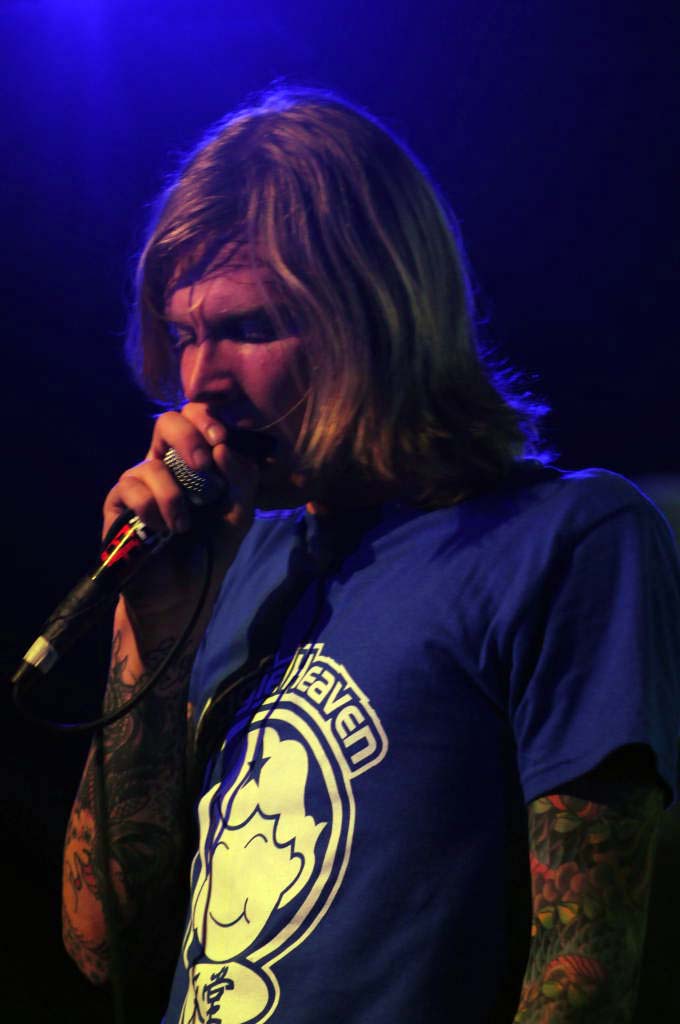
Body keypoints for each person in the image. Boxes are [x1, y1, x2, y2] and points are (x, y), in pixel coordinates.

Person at [62, 87, 680, 1024]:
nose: (199, 380)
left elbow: (582, 975)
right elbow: (96, 945)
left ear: (375, 315)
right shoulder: (235, 564)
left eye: (249, 328)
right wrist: (149, 631)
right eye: (186, 337)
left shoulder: (566, 538)